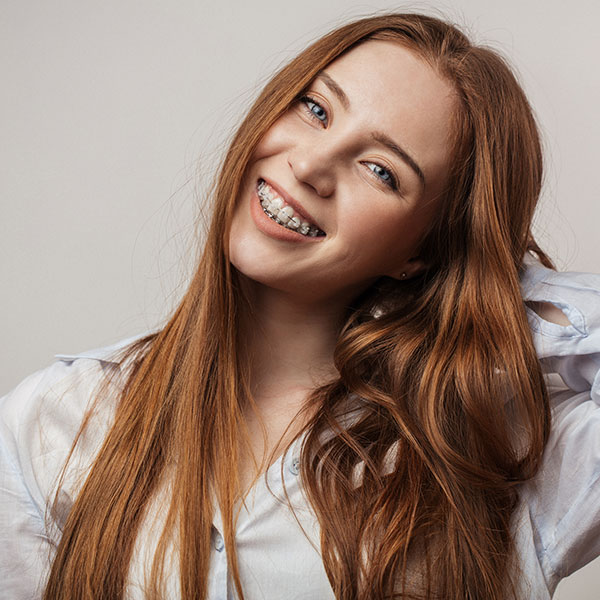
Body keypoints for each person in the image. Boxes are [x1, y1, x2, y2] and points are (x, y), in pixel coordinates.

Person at [1, 11, 599, 600]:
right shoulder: (61, 420)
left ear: (422, 249)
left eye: (380, 171)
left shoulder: (503, 448)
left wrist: (480, 288)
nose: (310, 166)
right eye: (315, 110)